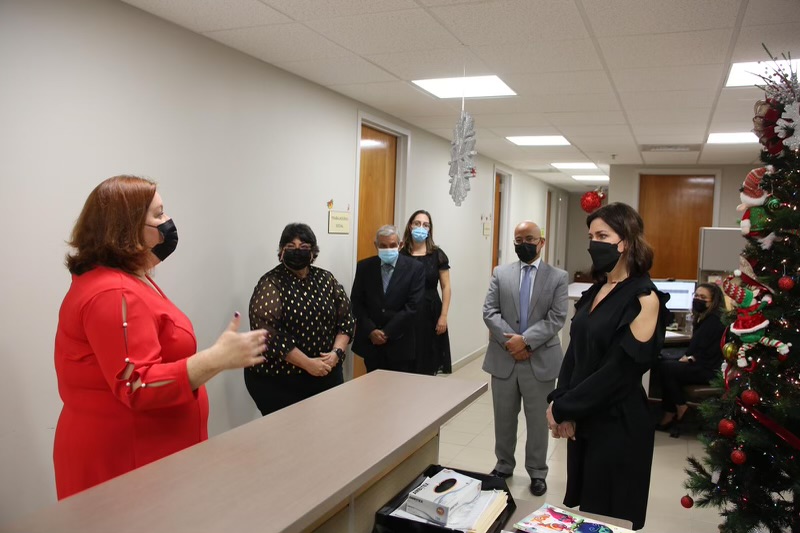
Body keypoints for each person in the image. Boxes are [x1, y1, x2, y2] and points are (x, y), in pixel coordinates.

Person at [54, 175, 268, 500]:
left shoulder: (130, 277)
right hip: (125, 460)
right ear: (126, 228)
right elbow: (136, 384)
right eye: (158, 215)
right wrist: (216, 359)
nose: (167, 223)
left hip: (150, 452)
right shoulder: (113, 293)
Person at [545, 202, 670, 531]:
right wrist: (561, 400)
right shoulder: (596, 290)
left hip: (618, 425)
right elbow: (574, 353)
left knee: (609, 516)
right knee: (587, 511)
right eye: (591, 235)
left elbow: (617, 373)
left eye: (603, 235)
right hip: (585, 416)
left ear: (625, 241)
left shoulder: (644, 298)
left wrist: (565, 407)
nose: (593, 243)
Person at [482, 221, 568, 497]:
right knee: (503, 418)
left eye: (529, 239)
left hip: (539, 360)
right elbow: (490, 311)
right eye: (518, 240)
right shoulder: (501, 273)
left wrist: (526, 340)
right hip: (504, 358)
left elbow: (556, 317)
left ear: (541, 241)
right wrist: (512, 343)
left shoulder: (558, 277)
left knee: (537, 421)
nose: (523, 244)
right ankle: (503, 465)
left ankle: (537, 472)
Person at [244, 223, 355, 416]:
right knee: (289, 438)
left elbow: (346, 320)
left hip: (326, 372)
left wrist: (336, 352)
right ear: (281, 252)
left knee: (327, 429)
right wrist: (308, 364)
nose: (297, 251)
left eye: (304, 247)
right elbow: (269, 336)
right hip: (280, 381)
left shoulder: (326, 279)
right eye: (290, 246)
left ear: (313, 252)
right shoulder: (271, 283)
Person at [351, 225, 425, 373]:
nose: (388, 249)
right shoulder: (364, 267)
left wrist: (387, 332)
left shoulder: (415, 268)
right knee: (373, 388)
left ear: (400, 245)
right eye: (383, 246)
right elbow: (357, 302)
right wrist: (371, 330)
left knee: (398, 391)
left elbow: (413, 306)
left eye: (392, 245)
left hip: (400, 342)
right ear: (376, 245)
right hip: (371, 343)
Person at [656, 283, 725, 432]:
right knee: (666, 365)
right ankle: (671, 411)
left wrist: (690, 357)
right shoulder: (704, 319)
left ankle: (680, 408)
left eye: (703, 297)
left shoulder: (714, 321)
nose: (698, 299)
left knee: (665, 367)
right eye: (697, 296)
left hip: (708, 369)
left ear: (713, 302)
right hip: (701, 363)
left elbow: (705, 351)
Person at [399, 209, 452, 375]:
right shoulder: (401, 254)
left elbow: (446, 287)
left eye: (425, 225)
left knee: (428, 360)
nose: (421, 227)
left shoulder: (437, 254)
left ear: (430, 229)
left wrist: (443, 316)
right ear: (410, 226)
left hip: (430, 312)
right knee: (407, 362)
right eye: (417, 223)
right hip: (406, 312)